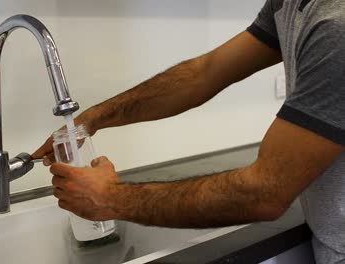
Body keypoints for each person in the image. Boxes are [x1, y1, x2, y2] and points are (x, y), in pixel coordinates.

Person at [33, 0, 345, 262]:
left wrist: (110, 198)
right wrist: (92, 119)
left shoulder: (336, 24)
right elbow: (204, 73)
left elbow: (265, 191)